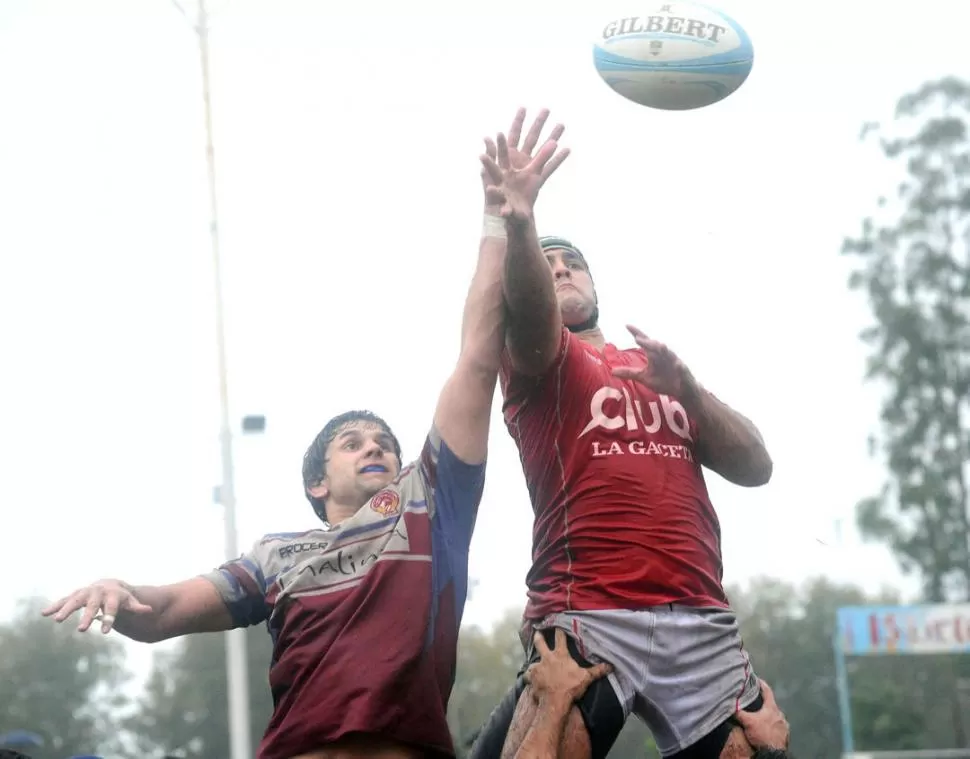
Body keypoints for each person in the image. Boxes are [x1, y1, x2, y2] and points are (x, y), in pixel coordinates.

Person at [40, 131, 571, 759]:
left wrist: (500, 219)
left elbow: (479, 356)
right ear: (317, 483)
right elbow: (161, 613)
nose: (374, 448)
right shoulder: (274, 557)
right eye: (351, 443)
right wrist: (117, 591)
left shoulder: (431, 505)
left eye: (384, 443)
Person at [472, 108, 781, 759]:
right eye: (547, 263)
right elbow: (528, 308)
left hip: (702, 622)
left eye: (573, 262)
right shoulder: (541, 362)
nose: (560, 270)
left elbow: (757, 466)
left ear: (595, 283)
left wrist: (692, 394)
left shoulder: (659, 370)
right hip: (591, 612)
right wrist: (520, 222)